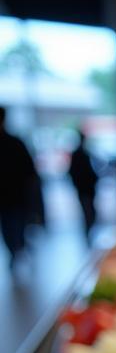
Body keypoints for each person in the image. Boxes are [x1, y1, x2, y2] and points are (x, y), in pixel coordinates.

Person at [0, 105, 40, 270]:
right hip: (11, 196)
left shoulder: (15, 142)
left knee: (13, 225)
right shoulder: (16, 142)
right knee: (11, 226)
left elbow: (30, 171)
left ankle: (17, 248)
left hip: (15, 195)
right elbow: (30, 171)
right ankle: (17, 249)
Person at [68, 129, 98, 237]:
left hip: (88, 188)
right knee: (88, 212)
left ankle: (90, 232)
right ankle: (88, 233)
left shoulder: (85, 153)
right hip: (84, 188)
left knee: (91, 211)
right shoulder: (79, 155)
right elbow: (73, 172)